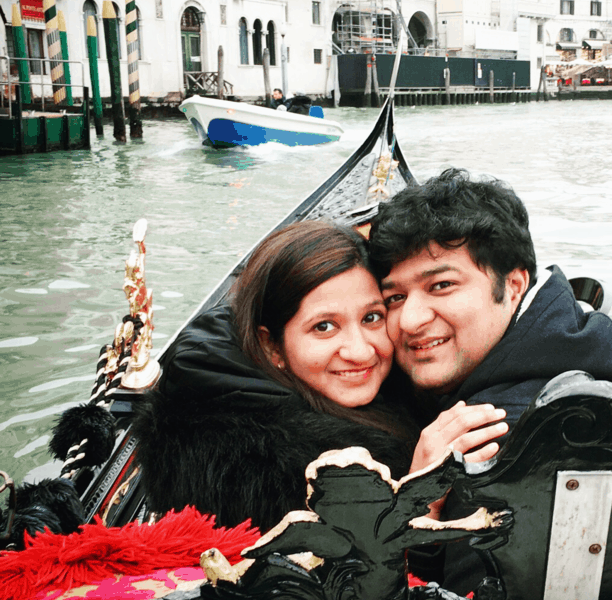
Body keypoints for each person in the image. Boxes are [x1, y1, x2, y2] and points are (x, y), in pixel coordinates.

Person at [134, 221, 505, 531]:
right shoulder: (257, 474)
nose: (360, 351)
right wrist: (419, 498)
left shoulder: (390, 388)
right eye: (324, 327)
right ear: (272, 347)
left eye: (372, 317)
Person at [368, 169, 612, 589]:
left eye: (441, 285)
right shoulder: (572, 349)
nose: (410, 321)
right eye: (395, 297)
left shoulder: (494, 445)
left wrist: (417, 509)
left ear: (513, 285)